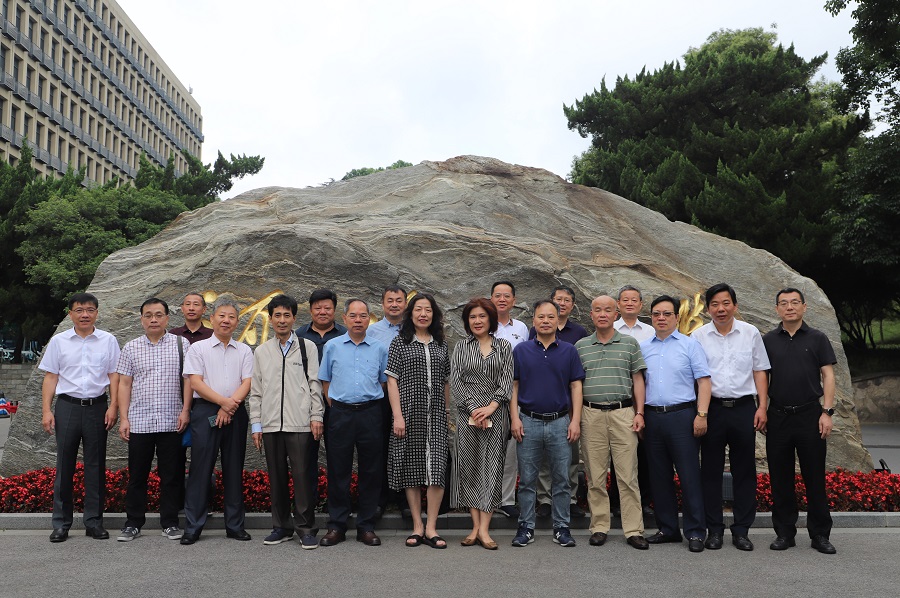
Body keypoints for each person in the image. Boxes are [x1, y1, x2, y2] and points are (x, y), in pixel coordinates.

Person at [694, 283, 770, 551]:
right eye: (715, 304)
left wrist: (762, 407)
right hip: (712, 409)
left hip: (743, 408)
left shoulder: (750, 333)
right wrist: (700, 413)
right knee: (710, 472)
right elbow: (696, 376)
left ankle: (741, 531)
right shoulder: (699, 336)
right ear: (708, 308)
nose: (721, 309)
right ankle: (714, 530)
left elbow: (760, 370)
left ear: (735, 306)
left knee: (744, 471)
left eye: (726, 303)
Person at [40, 292, 120, 543]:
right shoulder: (59, 341)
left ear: (96, 312)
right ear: (70, 314)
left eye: (89, 310)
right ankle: (61, 524)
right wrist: (46, 410)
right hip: (68, 407)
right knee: (64, 466)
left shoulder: (108, 340)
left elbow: (114, 376)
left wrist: (114, 406)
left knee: (95, 466)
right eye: (79, 310)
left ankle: (94, 522)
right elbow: (51, 377)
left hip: (98, 407)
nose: (85, 314)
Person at [763, 288, 837, 554]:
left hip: (810, 416)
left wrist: (827, 412)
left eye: (795, 302)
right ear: (777, 309)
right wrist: (762, 409)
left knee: (814, 478)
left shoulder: (817, 338)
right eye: (783, 303)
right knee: (780, 479)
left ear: (804, 307)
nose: (789, 307)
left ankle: (820, 535)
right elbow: (762, 377)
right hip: (778, 416)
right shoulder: (768, 340)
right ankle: (784, 533)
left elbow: (828, 375)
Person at [248, 294, 325, 549]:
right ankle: (281, 527)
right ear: (270, 319)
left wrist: (316, 416)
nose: (282, 320)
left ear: (294, 318)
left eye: (287, 315)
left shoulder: (307, 347)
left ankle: (306, 528)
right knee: (277, 478)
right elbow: (256, 391)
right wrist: (256, 425)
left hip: (300, 423)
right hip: (271, 424)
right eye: (277, 315)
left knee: (302, 478)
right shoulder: (262, 351)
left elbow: (314, 385)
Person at [575, 295, 649, 550]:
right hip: (591, 415)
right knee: (595, 475)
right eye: (598, 310)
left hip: (623, 414)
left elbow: (638, 380)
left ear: (616, 314)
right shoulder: (581, 346)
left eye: (608, 310)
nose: (603, 314)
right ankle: (599, 526)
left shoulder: (629, 344)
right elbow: (575, 385)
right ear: (591, 315)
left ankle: (633, 530)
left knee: (627, 475)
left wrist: (640, 413)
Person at [510, 300, 585, 548]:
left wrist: (575, 420)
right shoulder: (521, 351)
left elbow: (576, 386)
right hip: (528, 421)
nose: (545, 321)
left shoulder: (569, 351)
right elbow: (514, 386)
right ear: (533, 320)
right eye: (541, 317)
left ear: (557, 320)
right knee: (527, 479)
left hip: (560, 422)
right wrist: (514, 418)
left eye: (551, 317)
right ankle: (526, 527)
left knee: (562, 478)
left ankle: (562, 528)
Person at [116, 298, 191, 542]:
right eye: (148, 315)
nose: (153, 319)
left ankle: (170, 523)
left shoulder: (181, 344)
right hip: (140, 422)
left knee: (172, 476)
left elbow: (189, 380)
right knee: (137, 476)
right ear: (141, 320)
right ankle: (133, 523)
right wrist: (124, 418)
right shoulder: (131, 347)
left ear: (167, 318)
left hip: (172, 421)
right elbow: (124, 384)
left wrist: (186, 410)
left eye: (158, 315)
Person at [640, 295, 711, 553]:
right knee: (659, 476)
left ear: (676, 317)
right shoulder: (643, 347)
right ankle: (668, 529)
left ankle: (695, 532)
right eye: (656, 314)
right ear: (651, 317)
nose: (661, 318)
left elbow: (704, 381)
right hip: (653, 417)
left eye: (667, 314)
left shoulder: (689, 345)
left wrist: (701, 415)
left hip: (683, 416)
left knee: (689, 475)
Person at [180, 300, 254, 545]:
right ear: (211, 319)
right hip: (205, 411)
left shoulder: (244, 350)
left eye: (231, 317)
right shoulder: (198, 348)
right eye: (221, 315)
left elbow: (247, 381)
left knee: (234, 469)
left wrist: (229, 406)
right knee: (200, 469)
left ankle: (235, 526)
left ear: (237, 322)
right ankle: (193, 526)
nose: (226, 320)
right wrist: (223, 403)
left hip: (235, 411)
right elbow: (195, 382)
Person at [318, 299, 388, 547]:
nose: (358, 320)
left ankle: (366, 526)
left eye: (363, 316)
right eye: (353, 316)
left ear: (369, 319)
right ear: (345, 318)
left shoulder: (379, 348)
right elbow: (325, 381)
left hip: (370, 414)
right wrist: (338, 405)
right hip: (341, 415)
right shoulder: (332, 346)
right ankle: (336, 526)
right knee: (339, 470)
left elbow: (383, 382)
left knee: (371, 471)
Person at [386, 293, 451, 549]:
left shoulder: (441, 344)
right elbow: (392, 380)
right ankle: (417, 526)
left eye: (428, 310)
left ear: (434, 315)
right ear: (410, 313)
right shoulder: (399, 342)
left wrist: (447, 411)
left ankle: (432, 527)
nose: (423, 314)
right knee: (411, 468)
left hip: (436, 415)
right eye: (418, 309)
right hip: (408, 414)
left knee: (437, 470)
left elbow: (446, 381)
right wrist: (398, 415)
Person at [450, 298, 513, 550]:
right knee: (471, 469)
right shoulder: (461, 347)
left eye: (482, 316)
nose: (477, 321)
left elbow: (507, 381)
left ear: (491, 319)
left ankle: (485, 530)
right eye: (473, 317)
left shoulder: (504, 346)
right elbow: (456, 381)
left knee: (492, 469)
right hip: (468, 416)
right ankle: (475, 527)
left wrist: (491, 407)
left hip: (496, 415)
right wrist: (474, 409)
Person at [529, 285, 590, 519]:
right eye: (558, 299)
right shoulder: (535, 331)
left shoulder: (579, 332)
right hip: (541, 401)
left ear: (572, 306)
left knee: (570, 455)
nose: (562, 303)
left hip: (568, 404)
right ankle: (545, 499)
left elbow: (578, 374)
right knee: (544, 457)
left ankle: (571, 498)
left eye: (567, 300)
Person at [296, 288, 347, 500]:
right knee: (306, 457)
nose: (322, 312)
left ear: (335, 310)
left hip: (337, 405)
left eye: (327, 308)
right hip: (306, 405)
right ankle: (310, 503)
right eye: (318, 308)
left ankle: (337, 504)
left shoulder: (345, 335)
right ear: (310, 310)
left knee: (339, 457)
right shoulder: (298, 335)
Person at [610, 285, 654, 517]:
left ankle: (644, 501)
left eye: (634, 300)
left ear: (640, 304)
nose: (629, 303)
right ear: (618, 304)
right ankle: (617, 502)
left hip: (645, 397)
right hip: (620, 398)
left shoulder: (650, 331)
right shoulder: (610, 328)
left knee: (644, 454)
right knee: (617, 455)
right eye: (625, 300)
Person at [366, 286, 410, 517]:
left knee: (406, 447)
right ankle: (380, 499)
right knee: (380, 447)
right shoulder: (372, 332)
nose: (394, 304)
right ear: (382, 304)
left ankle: (405, 500)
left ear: (405, 304)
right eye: (390, 300)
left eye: (399, 300)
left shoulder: (413, 329)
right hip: (381, 396)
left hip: (409, 396)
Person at [490, 280, 528, 519]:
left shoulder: (522, 328)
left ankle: (505, 500)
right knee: (486, 450)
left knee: (511, 451)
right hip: (486, 397)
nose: (502, 299)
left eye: (507, 296)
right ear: (491, 299)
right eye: (497, 295)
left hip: (515, 396)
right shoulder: (483, 324)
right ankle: (483, 498)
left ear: (514, 300)